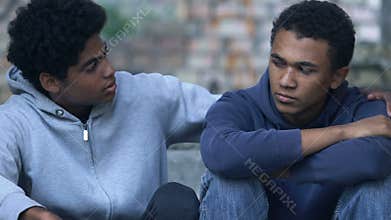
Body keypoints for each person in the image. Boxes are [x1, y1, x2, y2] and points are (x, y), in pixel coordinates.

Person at [0, 0, 218, 219]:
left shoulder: (145, 94)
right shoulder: (15, 121)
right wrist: (28, 212)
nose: (109, 70)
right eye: (92, 66)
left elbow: (228, 110)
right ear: (51, 82)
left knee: (176, 201)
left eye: (104, 54)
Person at [199, 1, 391, 220]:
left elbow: (373, 159)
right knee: (230, 183)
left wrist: (275, 169)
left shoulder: (365, 107)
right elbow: (221, 154)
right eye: (278, 63)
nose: (286, 81)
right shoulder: (237, 105)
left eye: (304, 70)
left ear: (337, 76)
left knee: (379, 188)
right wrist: (343, 132)